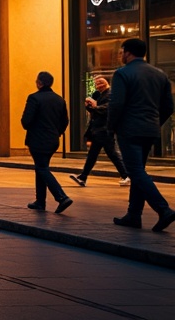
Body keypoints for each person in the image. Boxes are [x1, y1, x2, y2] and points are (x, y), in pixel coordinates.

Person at [108, 38, 175, 231]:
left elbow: (116, 104)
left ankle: (164, 210)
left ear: (128, 53)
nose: (121, 56)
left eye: (121, 52)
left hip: (129, 130)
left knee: (135, 171)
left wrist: (111, 127)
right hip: (150, 130)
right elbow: (168, 106)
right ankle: (133, 215)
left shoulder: (122, 74)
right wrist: (155, 122)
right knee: (138, 170)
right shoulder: (160, 74)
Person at [21, 71, 72, 214]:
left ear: (39, 83)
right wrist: (57, 133)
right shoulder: (59, 99)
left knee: (42, 168)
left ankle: (61, 197)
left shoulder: (34, 98)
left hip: (37, 140)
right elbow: (65, 121)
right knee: (41, 168)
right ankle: (40, 201)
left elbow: (26, 121)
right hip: (53, 140)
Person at [70, 76, 128, 188]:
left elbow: (107, 109)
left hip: (105, 129)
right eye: (96, 83)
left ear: (107, 82)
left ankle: (126, 175)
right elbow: (98, 110)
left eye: (101, 82)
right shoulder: (101, 94)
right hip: (99, 129)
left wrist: (95, 106)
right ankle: (83, 177)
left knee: (112, 154)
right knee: (94, 154)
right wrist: (90, 107)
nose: (98, 85)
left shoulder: (110, 94)